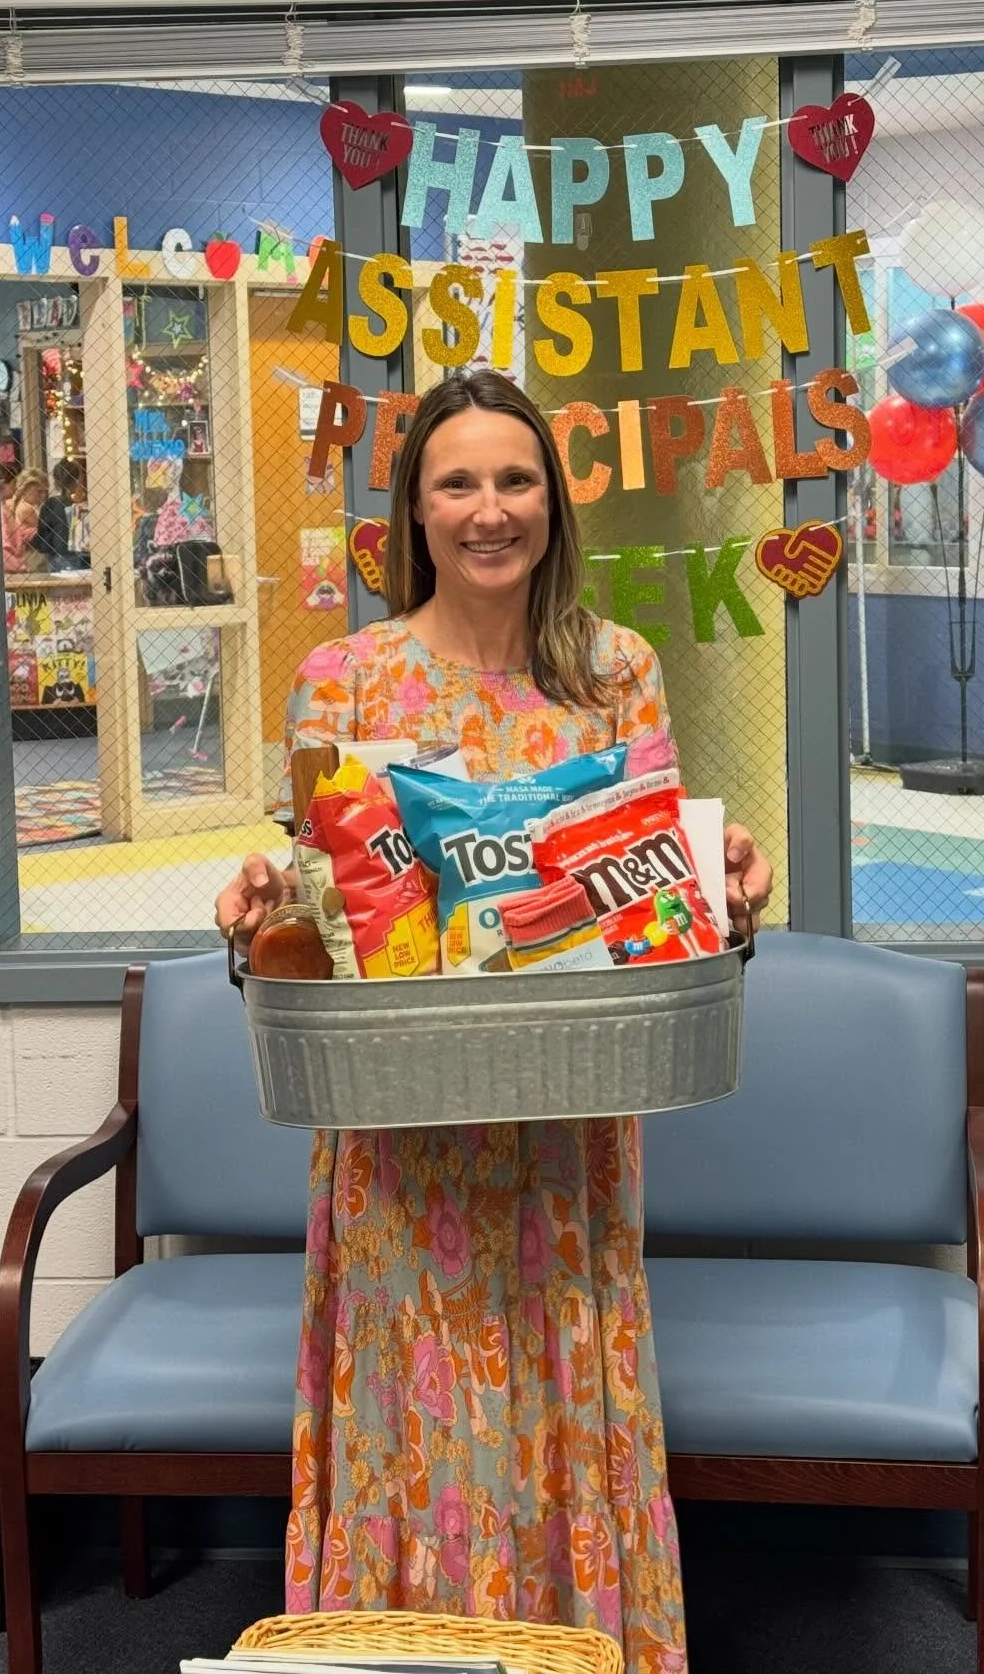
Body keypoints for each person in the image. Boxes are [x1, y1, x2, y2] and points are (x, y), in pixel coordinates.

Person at [214, 370, 771, 1671]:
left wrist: (728, 890)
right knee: (420, 1424)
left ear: (552, 503)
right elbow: (312, 923)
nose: (488, 509)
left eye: (515, 479)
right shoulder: (344, 684)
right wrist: (253, 910)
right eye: (457, 481)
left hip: (568, 1141)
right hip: (402, 1158)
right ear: (414, 506)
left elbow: (659, 920)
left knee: (562, 1408)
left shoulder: (616, 676)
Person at [30, 459, 90, 571]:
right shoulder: (79, 507)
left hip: (55, 555)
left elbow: (43, 533)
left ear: (55, 480)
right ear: (77, 481)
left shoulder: (50, 504)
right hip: (77, 556)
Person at [2, 468, 49, 574]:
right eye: (39, 492)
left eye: (45, 491)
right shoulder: (26, 508)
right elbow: (39, 531)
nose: (43, 495)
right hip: (33, 555)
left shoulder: (18, 504)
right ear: (25, 490)